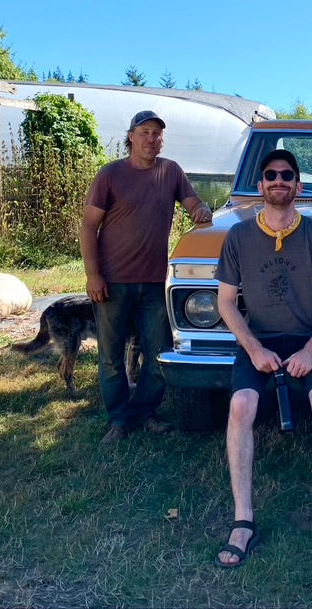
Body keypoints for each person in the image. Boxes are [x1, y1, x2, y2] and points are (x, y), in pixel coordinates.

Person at [214, 149, 312, 567]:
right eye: (271, 175)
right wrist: (254, 348)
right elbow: (225, 303)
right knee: (241, 406)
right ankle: (243, 520)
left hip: (305, 338)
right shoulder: (237, 236)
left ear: (298, 186)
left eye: (286, 175)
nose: (278, 181)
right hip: (259, 340)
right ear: (260, 186)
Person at [80, 110, 212, 445]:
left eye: (157, 133)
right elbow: (88, 226)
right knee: (110, 358)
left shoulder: (171, 172)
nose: (151, 139)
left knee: (160, 352)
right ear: (131, 136)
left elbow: (195, 204)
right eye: (145, 132)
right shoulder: (110, 175)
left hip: (155, 283)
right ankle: (118, 420)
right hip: (112, 283)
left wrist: (202, 211)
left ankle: (143, 412)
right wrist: (93, 275)